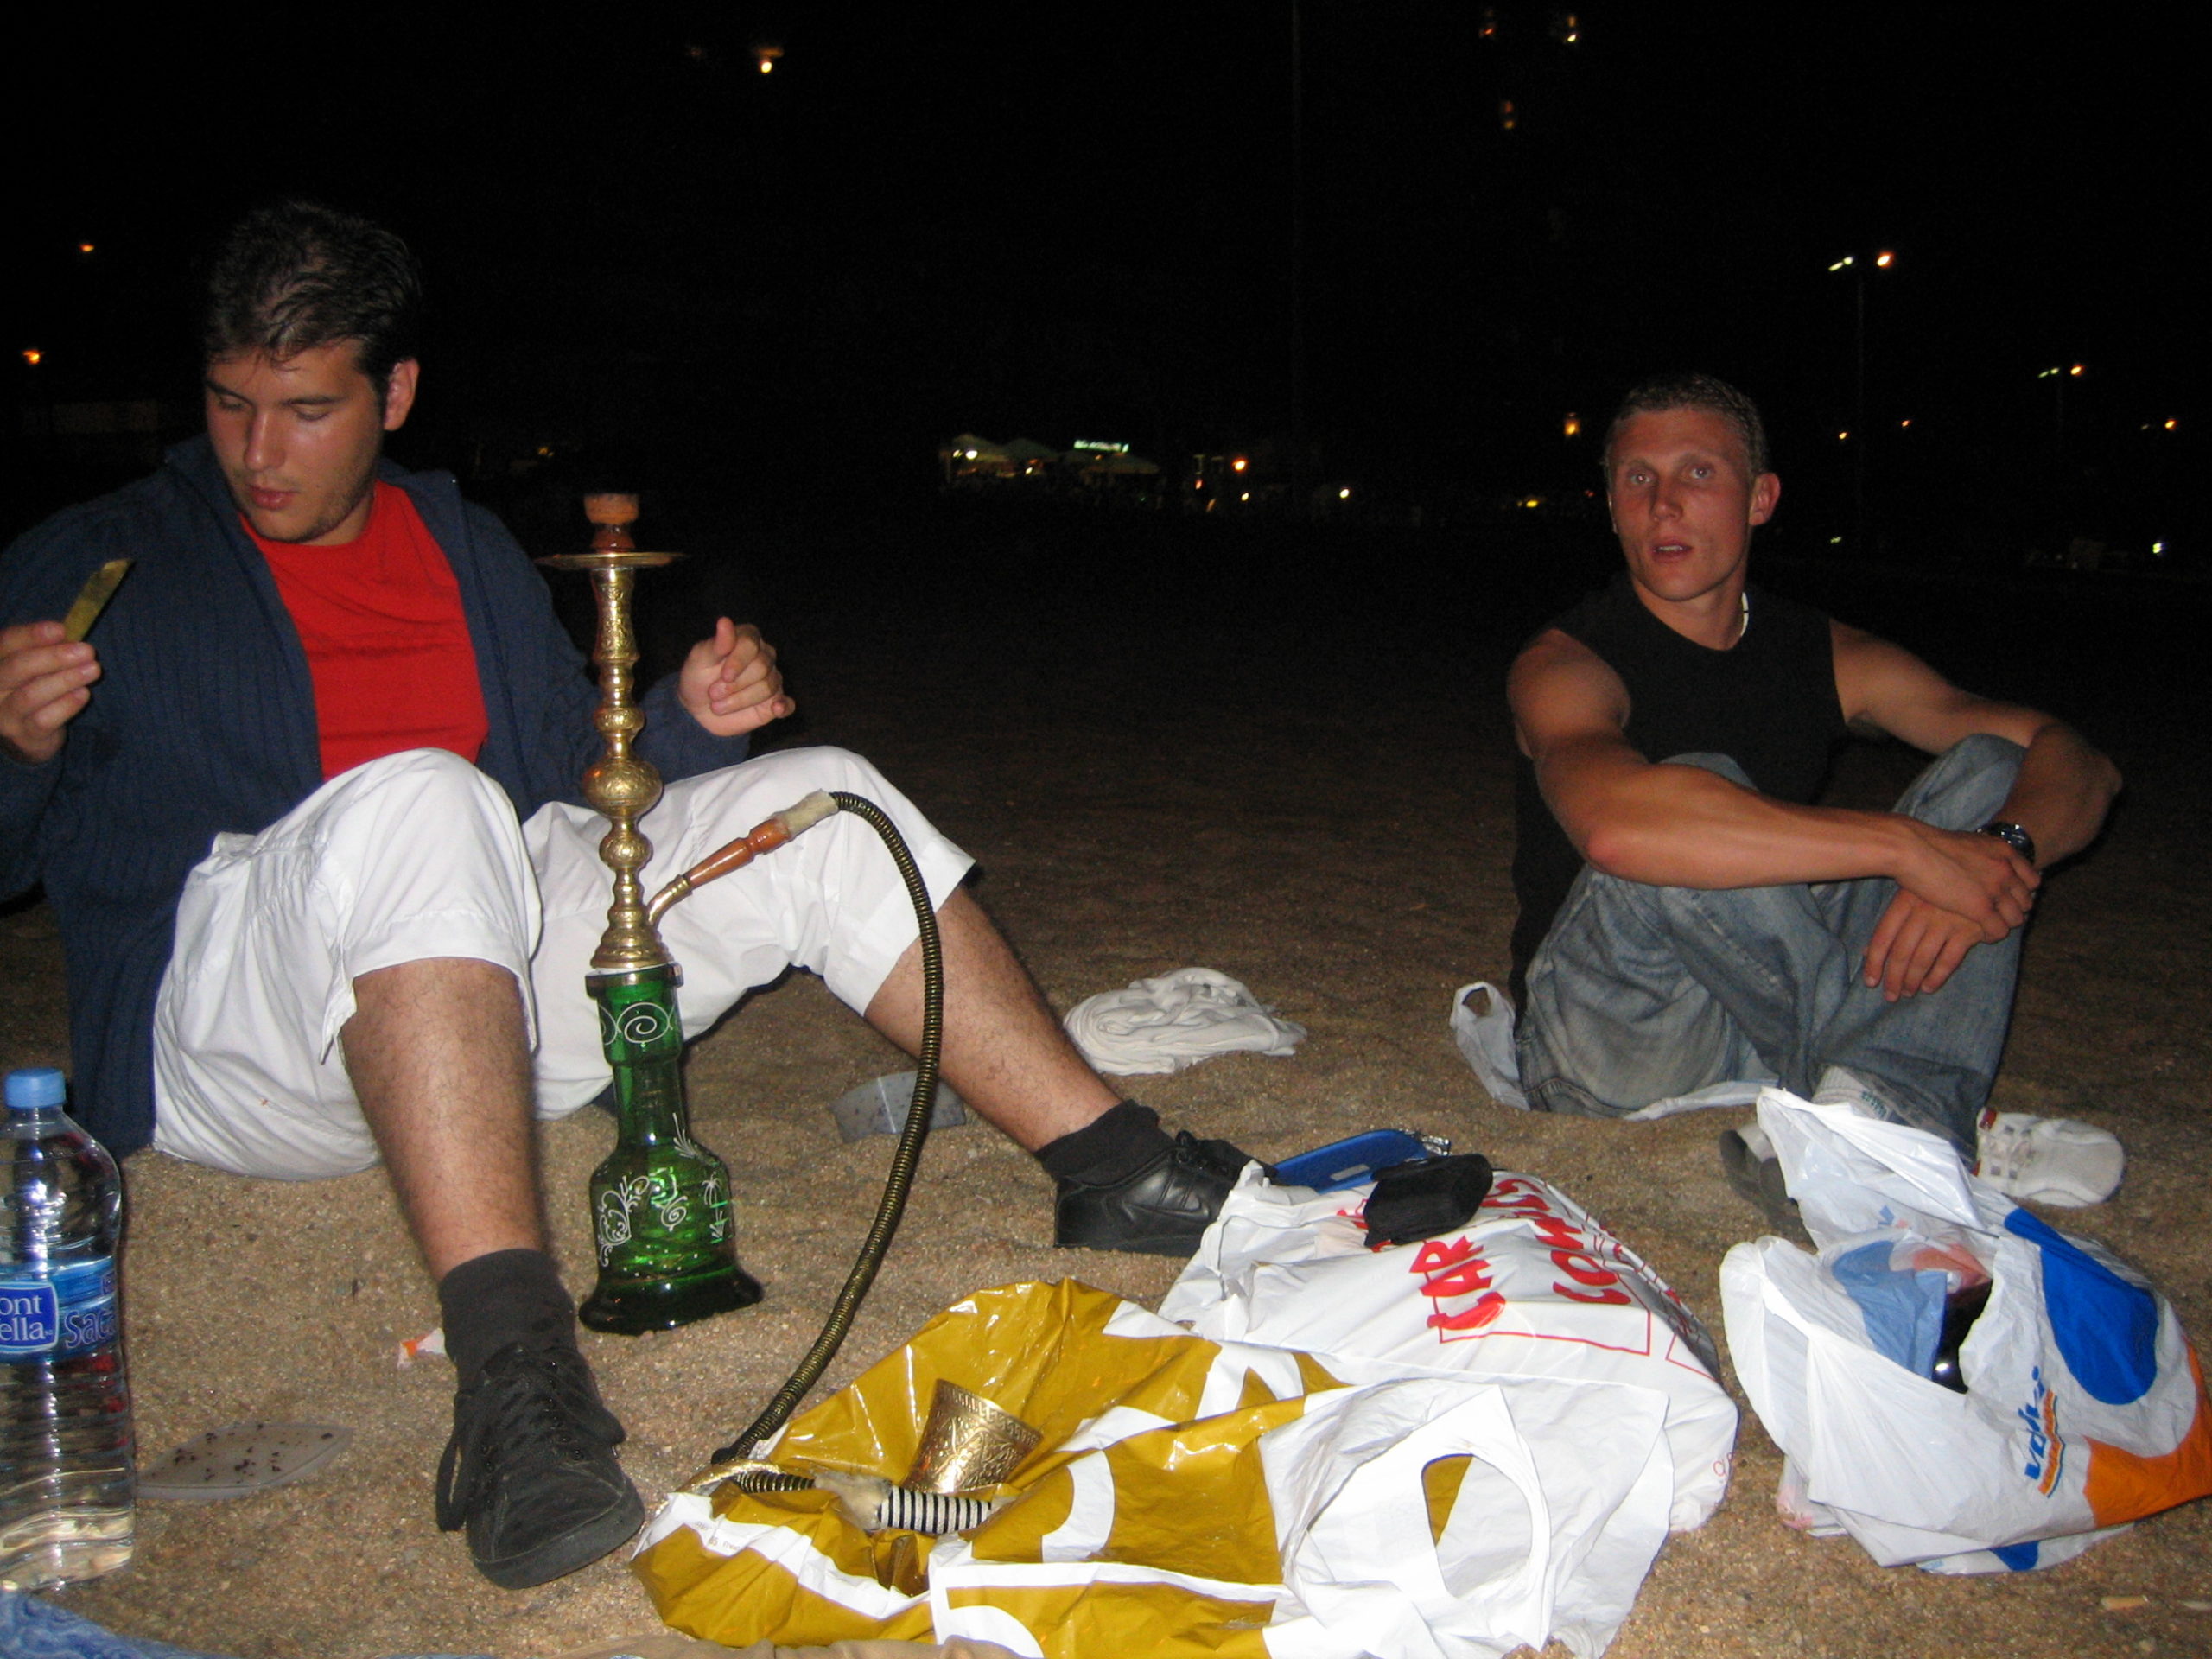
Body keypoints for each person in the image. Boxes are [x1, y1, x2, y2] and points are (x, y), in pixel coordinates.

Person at [0, 202, 1249, 1590]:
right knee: (427, 797)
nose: (257, 453)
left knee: (819, 795)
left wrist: (690, 719)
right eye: (231, 405)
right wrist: (12, 746)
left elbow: (559, 779)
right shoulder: (100, 561)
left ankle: (1114, 1168)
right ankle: (517, 1386)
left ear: (394, 394)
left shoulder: (461, 544)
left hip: (466, 997)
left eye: (305, 411)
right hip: (228, 1026)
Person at [1505, 372, 2125, 1224]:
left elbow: (2078, 762)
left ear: (1760, 498)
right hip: (1613, 1039)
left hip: (1759, 1016)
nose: (1662, 505)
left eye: (1697, 473)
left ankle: (1870, 1109)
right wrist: (1909, 850)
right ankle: (1909, 1106)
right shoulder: (1566, 661)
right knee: (1693, 791)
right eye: (1637, 479)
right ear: (1611, 507)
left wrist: (2003, 850)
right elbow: (1617, 830)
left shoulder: (1820, 651)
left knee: (1989, 769)